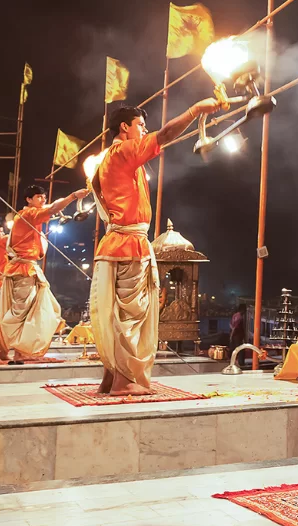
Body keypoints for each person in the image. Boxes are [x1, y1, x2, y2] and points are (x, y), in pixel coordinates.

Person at [89, 98, 219, 395]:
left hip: (119, 242)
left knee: (119, 314)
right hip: (128, 244)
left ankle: (111, 378)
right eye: (140, 126)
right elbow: (164, 136)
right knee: (131, 316)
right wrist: (195, 110)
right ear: (124, 127)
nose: (144, 131)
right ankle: (124, 382)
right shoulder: (122, 151)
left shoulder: (113, 158)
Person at [0, 184, 87, 364]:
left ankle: (5, 347)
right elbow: (53, 208)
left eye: (43, 196)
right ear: (29, 200)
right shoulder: (28, 214)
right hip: (24, 270)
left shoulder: (31, 215)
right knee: (23, 312)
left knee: (34, 309)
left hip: (26, 269)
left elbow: (52, 206)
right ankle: (17, 352)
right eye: (39, 196)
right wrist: (73, 196)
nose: (43, 199)